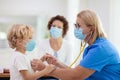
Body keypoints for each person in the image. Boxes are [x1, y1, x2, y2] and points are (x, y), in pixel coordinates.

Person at [31, 9, 120, 80]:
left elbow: (75, 76)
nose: (76, 29)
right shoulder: (91, 48)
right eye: (75, 25)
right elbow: (78, 73)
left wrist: (44, 68)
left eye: (79, 26)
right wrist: (58, 63)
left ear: (91, 29)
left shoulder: (100, 49)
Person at [31, 15, 73, 80]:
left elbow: (69, 69)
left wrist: (57, 64)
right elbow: (37, 66)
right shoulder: (42, 44)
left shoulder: (68, 46)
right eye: (53, 26)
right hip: (43, 77)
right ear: (50, 27)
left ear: (63, 31)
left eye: (59, 27)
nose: (56, 28)